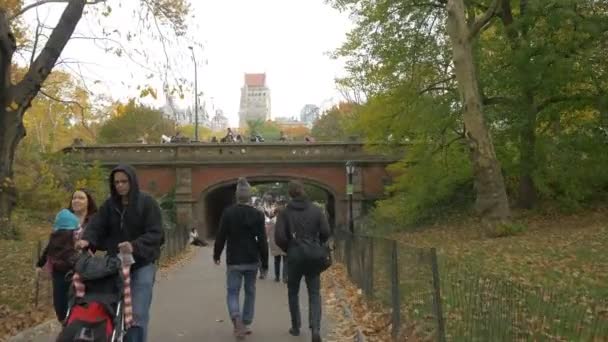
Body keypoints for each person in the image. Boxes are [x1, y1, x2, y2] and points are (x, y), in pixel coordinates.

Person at [78, 164, 164, 342]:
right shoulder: (109, 205)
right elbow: (96, 225)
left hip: (142, 264)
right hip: (114, 264)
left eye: (124, 181)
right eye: (116, 182)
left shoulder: (147, 203)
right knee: (112, 310)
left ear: (132, 181)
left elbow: (157, 233)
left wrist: (135, 245)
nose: (120, 185)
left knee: (137, 313)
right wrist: (87, 240)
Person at [275, 181, 331, 342]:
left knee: (293, 292)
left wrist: (290, 248)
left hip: (294, 256)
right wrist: (317, 244)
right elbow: (326, 232)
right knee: (314, 292)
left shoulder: (285, 213)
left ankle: (295, 326)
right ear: (303, 192)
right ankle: (315, 328)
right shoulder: (316, 210)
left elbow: (279, 237)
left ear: (290, 194)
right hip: (314, 256)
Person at [213, 177, 269, 338]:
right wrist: (264, 264)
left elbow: (221, 236)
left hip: (234, 259)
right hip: (252, 259)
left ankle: (236, 318)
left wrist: (217, 254)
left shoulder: (228, 213)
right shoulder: (258, 214)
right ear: (249, 196)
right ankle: (245, 322)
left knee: (232, 292)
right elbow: (263, 241)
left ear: (237, 196)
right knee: (250, 292)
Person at [36, 209, 81, 323]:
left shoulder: (54, 236)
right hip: (74, 269)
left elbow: (47, 251)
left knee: (60, 300)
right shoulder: (75, 235)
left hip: (60, 271)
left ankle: (64, 320)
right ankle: (70, 320)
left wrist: (40, 264)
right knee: (74, 297)